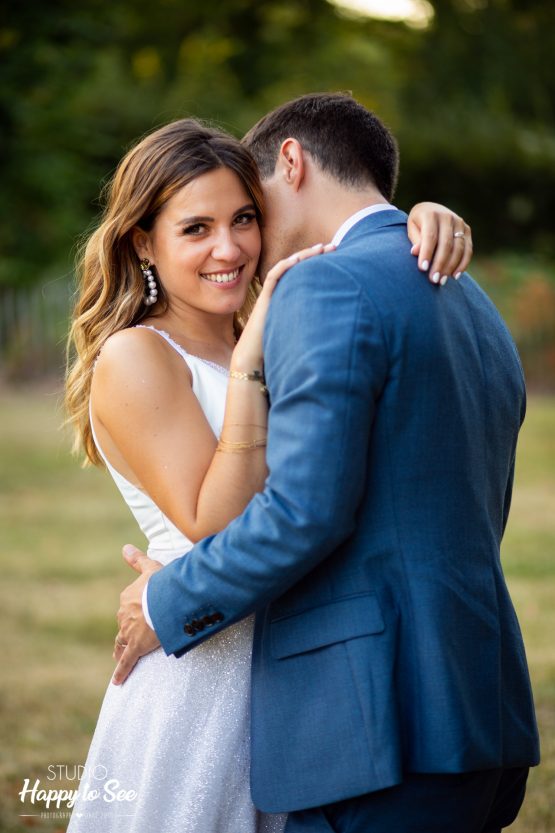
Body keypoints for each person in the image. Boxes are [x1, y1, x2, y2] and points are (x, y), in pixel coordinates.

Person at [115, 94, 540, 833]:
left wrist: (165, 602)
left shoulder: (325, 284)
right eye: (202, 225)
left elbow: (306, 509)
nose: (242, 243)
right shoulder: (469, 295)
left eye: (249, 212)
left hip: (369, 714)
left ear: (291, 161)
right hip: (476, 700)